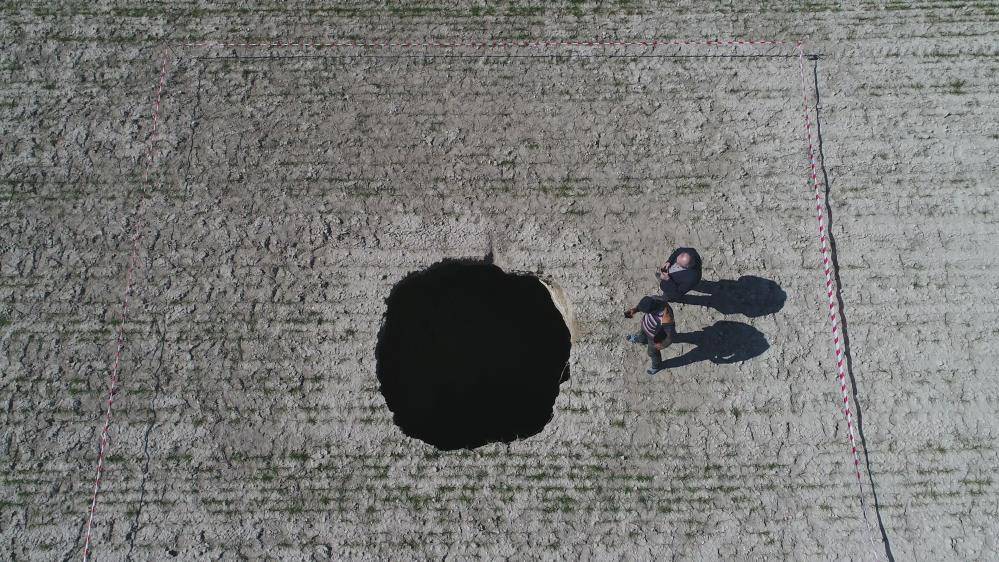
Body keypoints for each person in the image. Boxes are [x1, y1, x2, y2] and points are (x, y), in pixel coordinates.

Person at [624, 296, 676, 375]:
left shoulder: (666, 317)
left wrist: (662, 344)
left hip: (655, 337)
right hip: (646, 327)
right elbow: (644, 304)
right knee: (641, 336)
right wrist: (636, 309)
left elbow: (670, 336)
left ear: (652, 310)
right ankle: (641, 339)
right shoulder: (654, 299)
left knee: (652, 352)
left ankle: (656, 366)